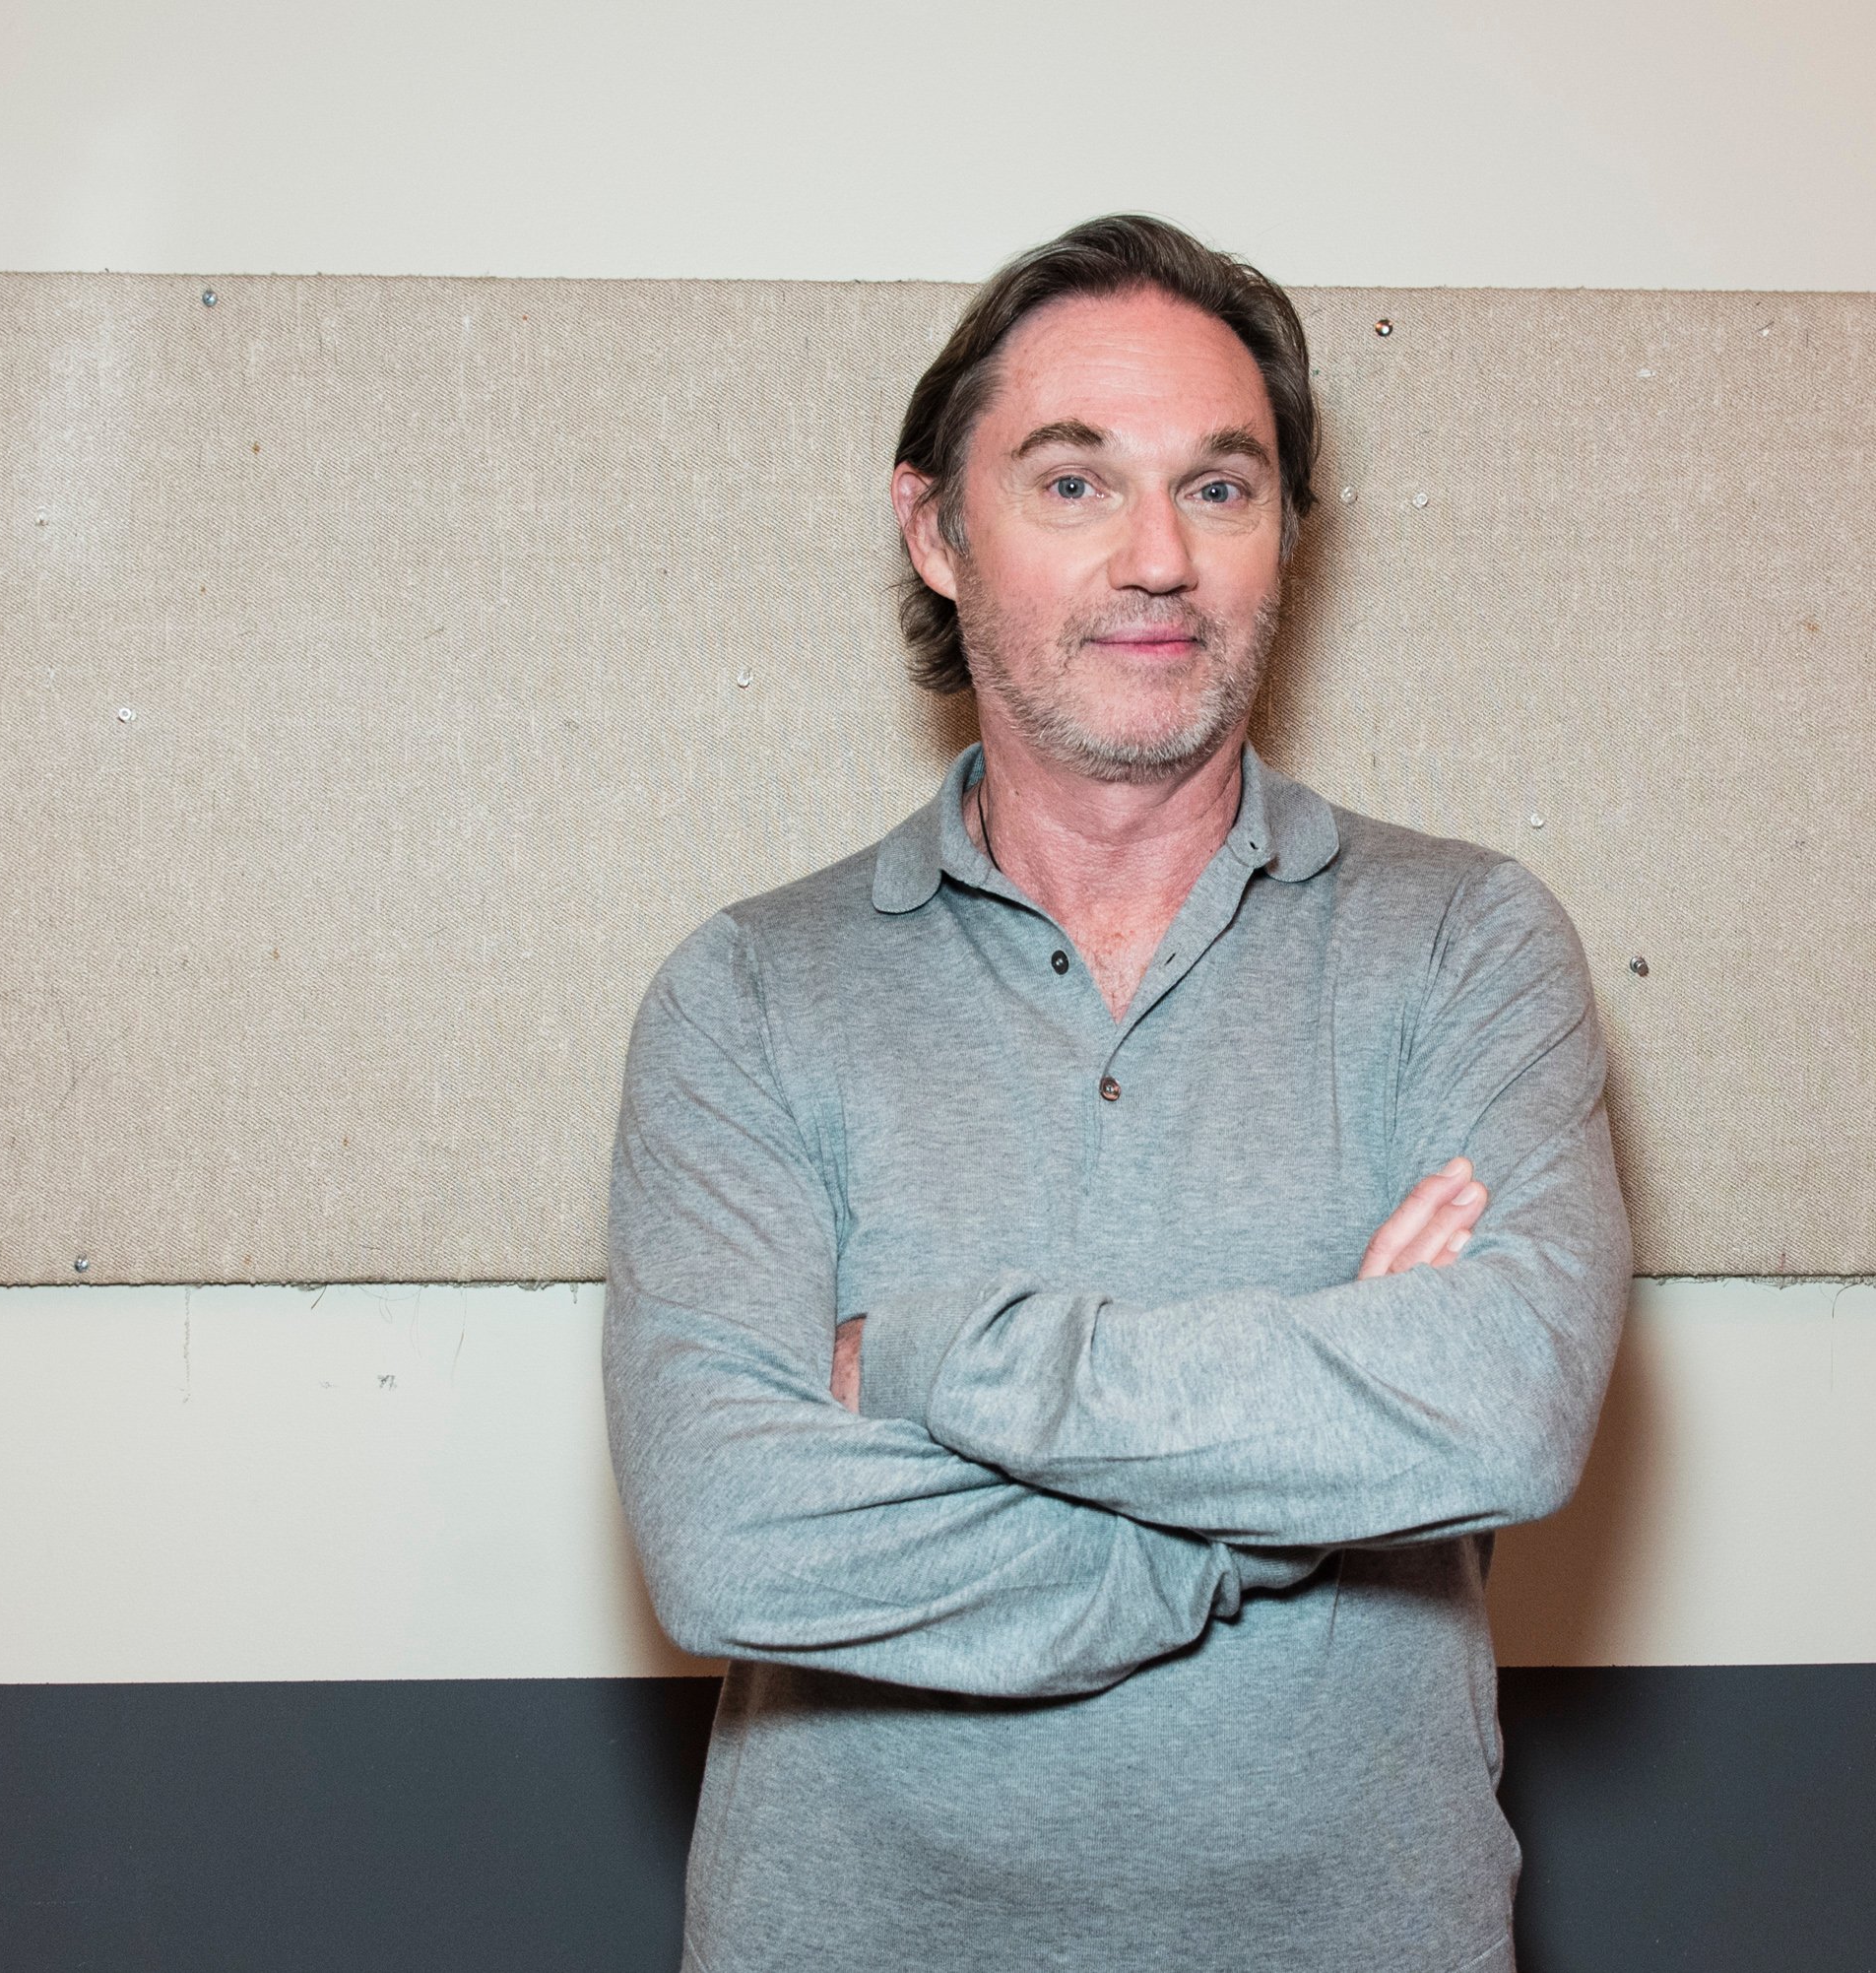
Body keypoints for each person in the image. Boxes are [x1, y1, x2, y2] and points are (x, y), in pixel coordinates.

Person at [602, 214, 1632, 1973]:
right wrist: (1287, 1505)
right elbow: (735, 1543)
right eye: (1074, 485)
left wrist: (930, 1359)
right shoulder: (749, 997)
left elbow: (1505, 1409)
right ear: (934, 527)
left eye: (1221, 490)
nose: (1159, 557)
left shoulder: (1470, 945)